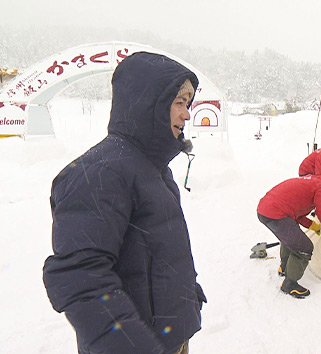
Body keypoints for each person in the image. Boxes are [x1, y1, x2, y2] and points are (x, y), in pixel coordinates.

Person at [42, 52, 207, 354]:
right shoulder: (99, 173)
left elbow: (162, 252)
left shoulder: (153, 169)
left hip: (170, 339)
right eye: (179, 103)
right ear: (148, 105)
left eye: (188, 104)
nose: (186, 114)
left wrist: (187, 297)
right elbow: (81, 280)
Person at [257, 175, 321, 298]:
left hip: (265, 210)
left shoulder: (312, 183)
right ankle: (290, 284)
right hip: (275, 213)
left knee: (291, 237)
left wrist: (313, 226)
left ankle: (284, 267)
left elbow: (297, 215)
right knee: (304, 247)